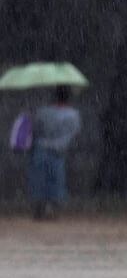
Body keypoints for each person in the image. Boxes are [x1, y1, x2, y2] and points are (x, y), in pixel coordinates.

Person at [28, 85, 81, 220]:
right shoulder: (73, 115)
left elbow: (36, 130)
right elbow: (74, 134)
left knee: (39, 180)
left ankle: (39, 209)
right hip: (58, 151)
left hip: (41, 149)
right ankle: (53, 210)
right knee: (56, 181)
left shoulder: (43, 112)